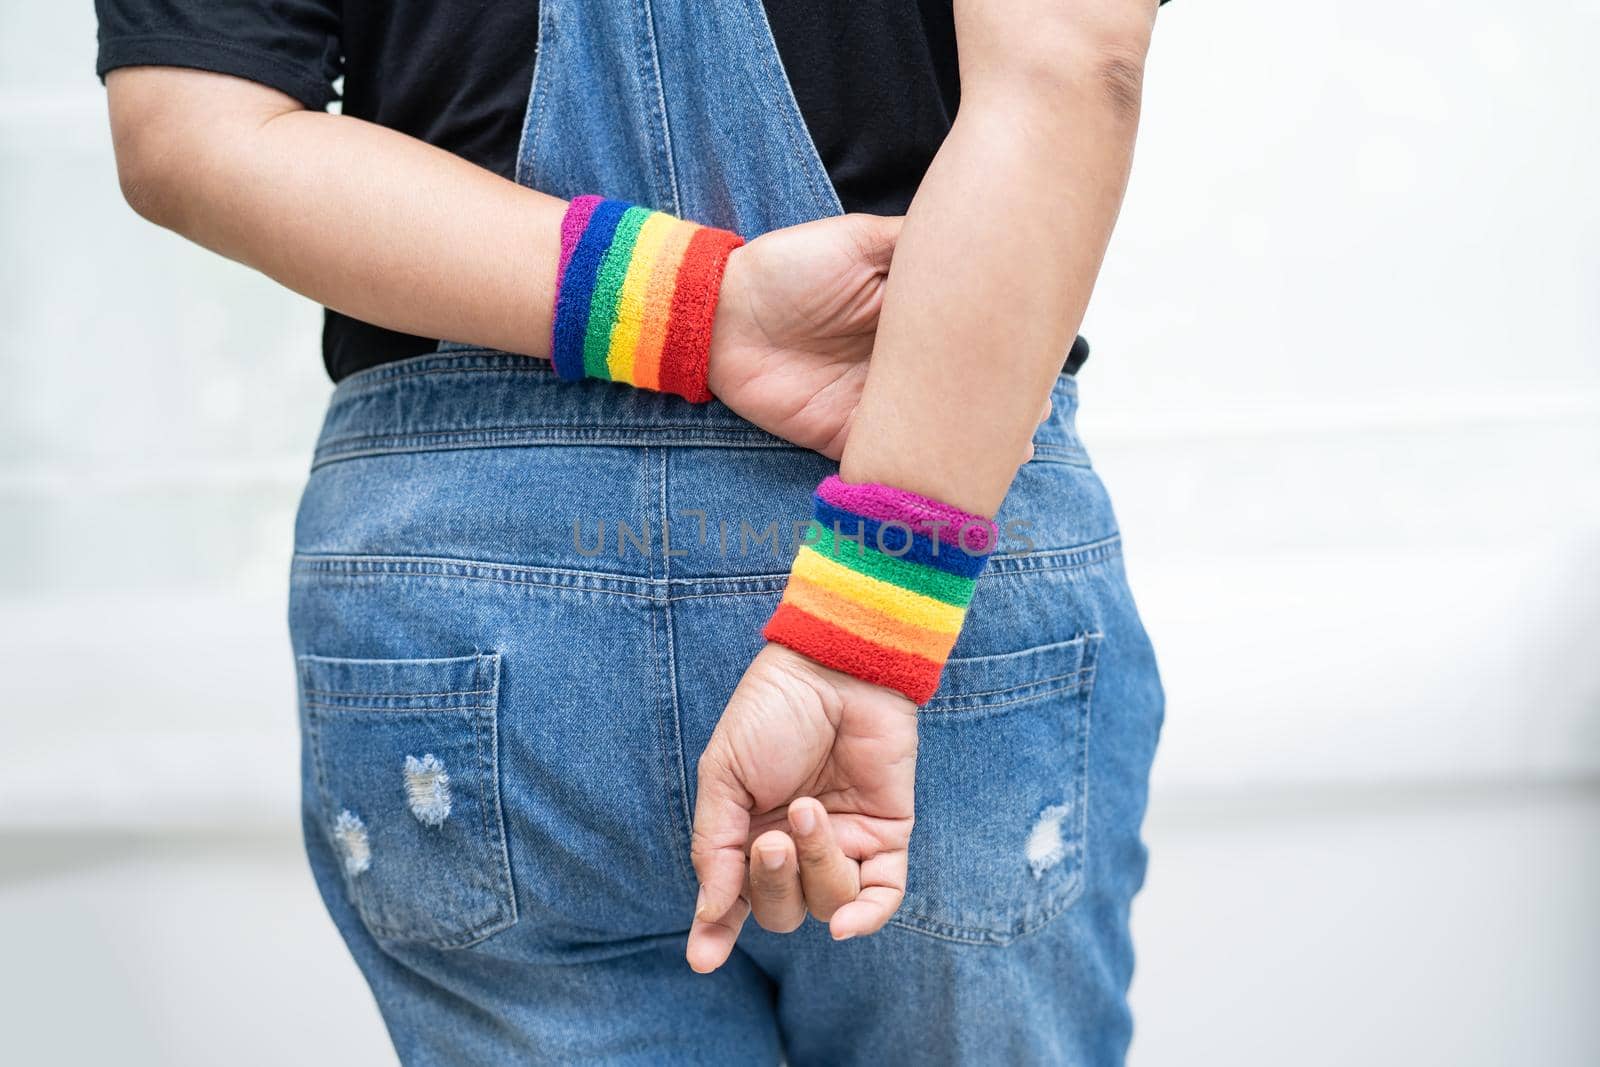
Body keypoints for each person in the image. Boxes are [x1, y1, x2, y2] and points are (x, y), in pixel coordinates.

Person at [96, 0, 1167, 1061]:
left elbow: (191, 125)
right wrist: (862, 626)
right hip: (921, 536)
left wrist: (697, 308)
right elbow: (1067, 69)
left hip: (468, 606)